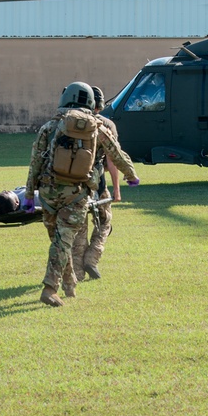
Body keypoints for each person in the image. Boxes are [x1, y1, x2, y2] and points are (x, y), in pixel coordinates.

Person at [24, 82, 140, 307]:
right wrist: (131, 175)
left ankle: (69, 286)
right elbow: (117, 154)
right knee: (63, 242)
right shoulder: (97, 127)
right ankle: (49, 288)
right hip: (76, 194)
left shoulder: (48, 127)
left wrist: (29, 195)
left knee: (59, 241)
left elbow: (35, 163)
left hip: (48, 193)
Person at [73, 86, 120, 282]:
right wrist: (116, 189)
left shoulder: (70, 122)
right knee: (105, 222)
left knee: (79, 228)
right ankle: (92, 258)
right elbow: (112, 159)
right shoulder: (106, 125)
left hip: (74, 184)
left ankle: (77, 272)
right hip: (97, 183)